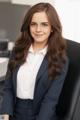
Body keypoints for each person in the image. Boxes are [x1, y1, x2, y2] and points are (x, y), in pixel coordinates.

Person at [0, 2, 69, 120]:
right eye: (33, 24)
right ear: (28, 26)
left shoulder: (60, 60)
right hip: (13, 112)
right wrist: (4, 115)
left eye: (44, 24)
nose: (38, 29)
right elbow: (8, 88)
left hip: (40, 115)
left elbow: (50, 101)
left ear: (52, 27)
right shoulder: (18, 50)